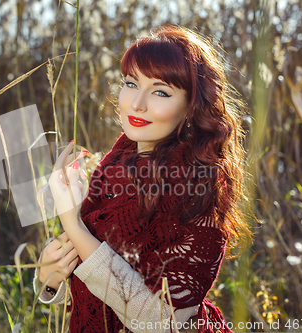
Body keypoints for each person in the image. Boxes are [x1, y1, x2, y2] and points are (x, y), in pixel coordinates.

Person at [33, 25, 253, 333]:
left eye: (160, 91)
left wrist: (72, 223)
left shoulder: (199, 186)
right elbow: (98, 286)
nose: (137, 103)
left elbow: (159, 321)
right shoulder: (118, 162)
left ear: (191, 106)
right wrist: (50, 279)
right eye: (131, 83)